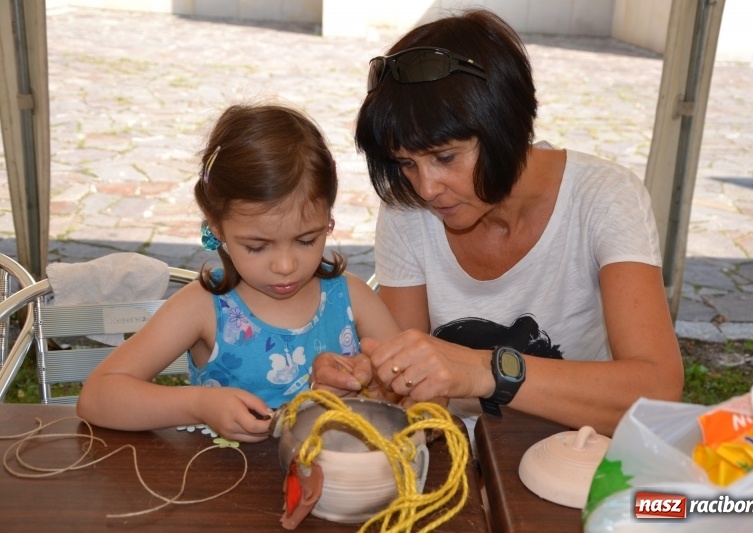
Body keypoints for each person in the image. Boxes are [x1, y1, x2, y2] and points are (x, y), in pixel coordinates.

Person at [312, 8, 683, 437]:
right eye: (405, 163)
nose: (427, 187)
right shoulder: (407, 210)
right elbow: (411, 394)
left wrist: (484, 369)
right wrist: (365, 382)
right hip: (455, 449)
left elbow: (658, 392)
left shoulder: (603, 198)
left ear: (505, 126)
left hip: (574, 453)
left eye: (445, 157)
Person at [77, 103, 400, 442]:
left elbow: (417, 393)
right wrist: (199, 404)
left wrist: (375, 391)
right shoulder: (203, 308)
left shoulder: (351, 298)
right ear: (216, 227)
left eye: (307, 240)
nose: (285, 266)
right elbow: (97, 396)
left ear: (328, 220)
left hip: (337, 486)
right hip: (228, 486)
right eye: (257, 247)